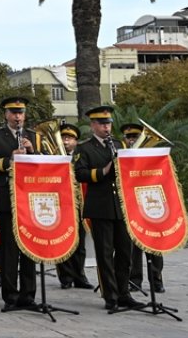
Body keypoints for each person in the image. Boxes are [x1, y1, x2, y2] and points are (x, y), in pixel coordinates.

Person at [73, 105, 138, 311]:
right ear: (93, 125)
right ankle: (110, 296)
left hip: (120, 206)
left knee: (125, 252)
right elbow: (80, 174)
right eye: (102, 124)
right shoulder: (84, 148)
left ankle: (124, 293)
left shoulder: (118, 144)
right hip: (100, 207)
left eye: (108, 123)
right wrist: (104, 170)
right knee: (105, 253)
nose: (106, 127)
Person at [0, 96, 39, 311]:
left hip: (28, 199)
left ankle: (29, 295)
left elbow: (45, 164)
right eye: (13, 113)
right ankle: (10, 296)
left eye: (21, 112)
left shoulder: (33, 136)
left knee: (29, 248)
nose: (18, 116)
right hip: (6, 197)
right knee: (9, 250)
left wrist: (33, 151)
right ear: (6, 114)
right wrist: (10, 158)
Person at [122, 123, 163, 294]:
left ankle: (157, 280)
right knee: (133, 249)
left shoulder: (153, 159)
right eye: (129, 138)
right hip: (131, 206)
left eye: (135, 137)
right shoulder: (122, 158)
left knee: (154, 246)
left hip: (149, 206)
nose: (132, 141)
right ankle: (135, 280)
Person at [55, 123, 92, 289]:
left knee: (79, 243)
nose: (65, 141)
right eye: (63, 138)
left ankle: (79, 276)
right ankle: (65, 277)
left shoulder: (81, 156)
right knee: (62, 240)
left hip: (79, 203)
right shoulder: (54, 157)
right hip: (61, 204)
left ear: (76, 141)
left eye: (69, 138)